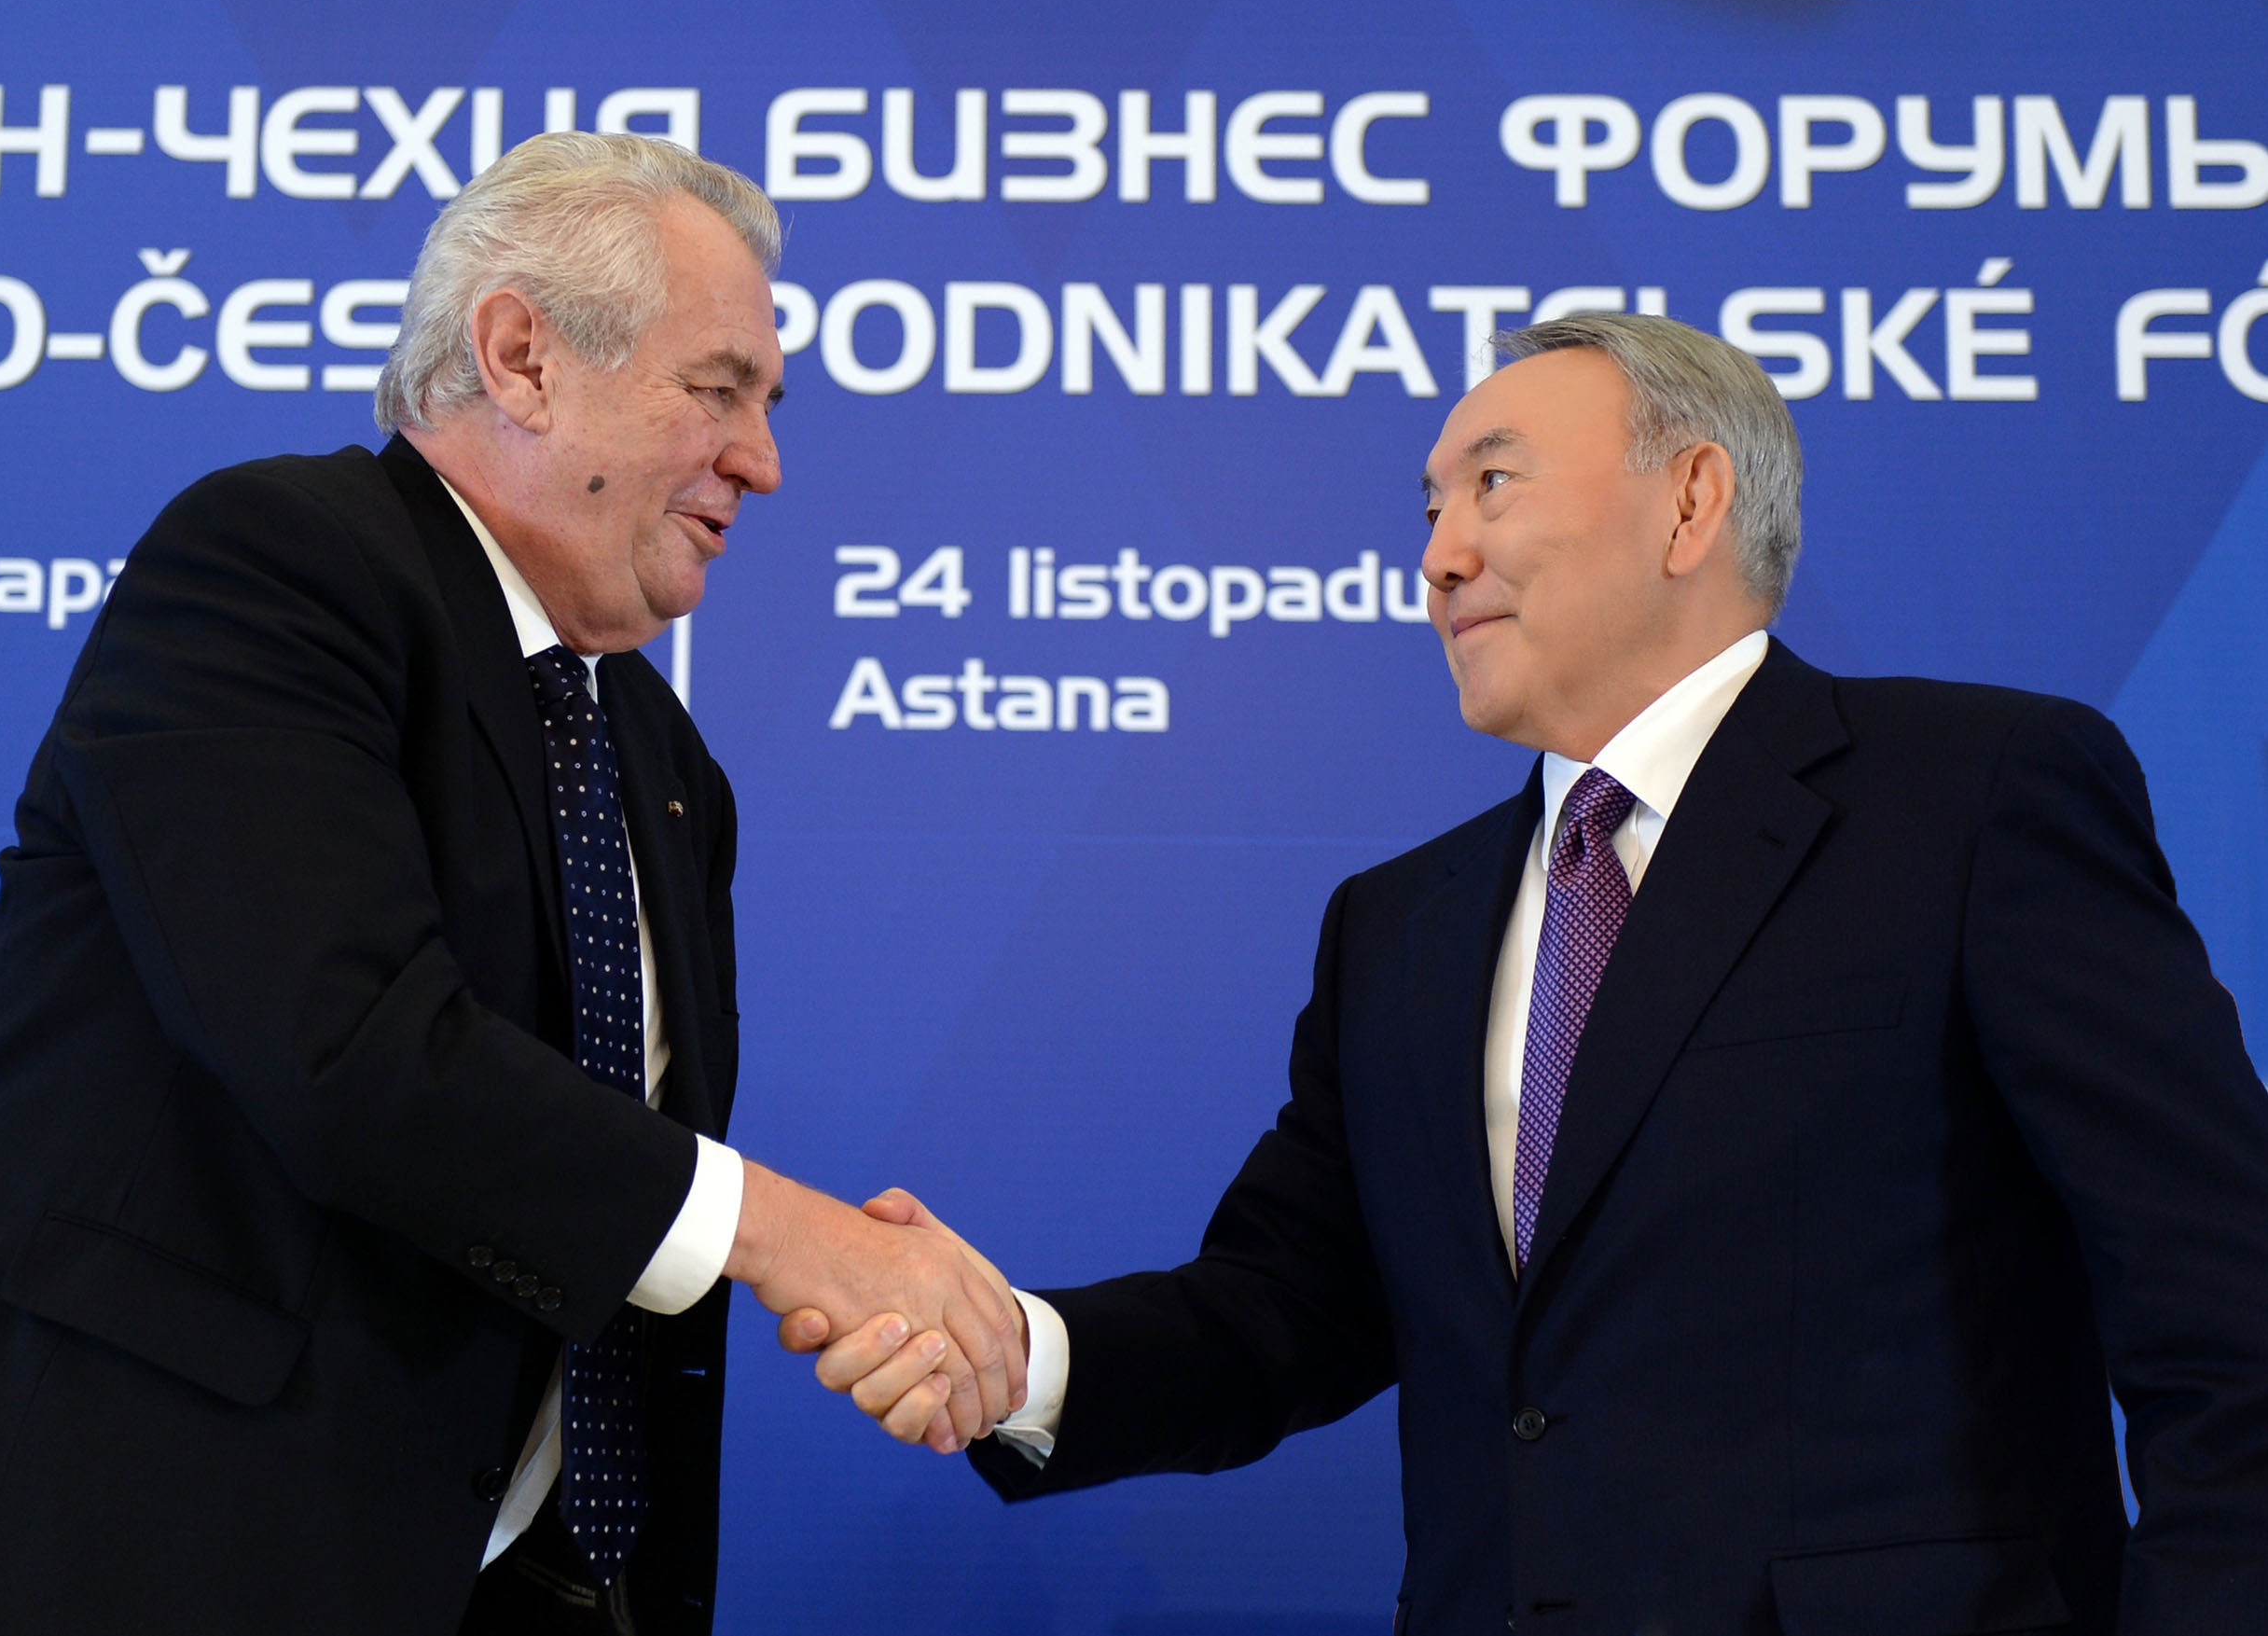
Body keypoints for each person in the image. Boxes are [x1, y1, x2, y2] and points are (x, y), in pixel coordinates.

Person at [791, 313, 2268, 1635]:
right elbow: (1279, 1311)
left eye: (1492, 484)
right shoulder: (1400, 926)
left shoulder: (1975, 794)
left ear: (1692, 500)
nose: (1437, 554)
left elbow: (2225, 1308)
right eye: (1430, 508)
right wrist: (1017, 1354)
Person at [0, 132, 1024, 1636]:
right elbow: (351, 1054)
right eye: (719, 389)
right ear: (520, 357)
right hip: (173, 1549)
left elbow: (592, 1181)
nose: (763, 460)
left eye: (769, 404)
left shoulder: (661, 755)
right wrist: (796, 1235)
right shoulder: (274, 566)